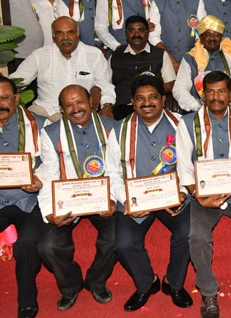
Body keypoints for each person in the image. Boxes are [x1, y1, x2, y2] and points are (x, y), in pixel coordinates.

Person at [176, 71, 231, 318]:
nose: (216, 97)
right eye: (211, 91)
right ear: (202, 94)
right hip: (203, 197)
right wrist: (199, 196)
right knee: (197, 237)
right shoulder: (187, 123)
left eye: (222, 91)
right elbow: (184, 168)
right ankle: (208, 291)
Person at [106, 74, 192, 311]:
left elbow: (192, 163)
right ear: (132, 102)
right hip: (136, 199)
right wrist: (128, 200)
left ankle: (174, 283)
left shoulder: (182, 125)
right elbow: (112, 172)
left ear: (163, 100)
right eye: (140, 98)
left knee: (188, 233)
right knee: (123, 243)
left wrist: (182, 192)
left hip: (173, 197)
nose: (147, 103)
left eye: (153, 97)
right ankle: (147, 283)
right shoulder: (119, 130)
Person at [37, 85, 117, 311]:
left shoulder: (113, 128)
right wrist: (50, 213)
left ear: (91, 101)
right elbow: (49, 175)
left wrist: (112, 199)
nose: (76, 109)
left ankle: (96, 281)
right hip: (68, 200)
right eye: (69, 105)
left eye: (80, 102)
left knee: (116, 237)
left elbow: (118, 170)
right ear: (62, 109)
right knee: (48, 245)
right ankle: (70, 286)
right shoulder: (50, 133)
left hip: (104, 198)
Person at [10, 16, 115, 122]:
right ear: (53, 35)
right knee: (27, 122)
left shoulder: (94, 55)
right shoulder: (39, 55)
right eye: (60, 33)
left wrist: (107, 105)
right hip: (46, 111)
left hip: (79, 113)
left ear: (78, 34)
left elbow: (105, 84)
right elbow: (17, 81)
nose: (65, 37)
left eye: (70, 32)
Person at [0, 76, 45, 318]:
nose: (0, 104)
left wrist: (40, 179)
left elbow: (55, 165)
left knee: (27, 243)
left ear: (17, 99)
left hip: (28, 201)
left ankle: (27, 302)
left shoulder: (39, 125)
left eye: (4, 98)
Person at [109, 16, 176, 119]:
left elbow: (170, 83)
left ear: (147, 33)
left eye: (140, 30)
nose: (136, 34)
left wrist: (150, 92)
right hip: (121, 110)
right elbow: (106, 84)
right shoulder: (115, 56)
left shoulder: (160, 54)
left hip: (150, 108)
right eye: (132, 30)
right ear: (126, 33)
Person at [172, 15, 231, 112]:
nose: (212, 38)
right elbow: (179, 88)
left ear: (221, 38)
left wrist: (229, 104)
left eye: (216, 34)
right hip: (197, 109)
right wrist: (197, 108)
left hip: (230, 108)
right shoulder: (190, 58)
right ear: (201, 37)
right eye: (207, 34)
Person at [148, 0, 207, 68]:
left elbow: (203, 31)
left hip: (193, 58)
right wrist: (172, 62)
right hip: (165, 59)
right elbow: (153, 36)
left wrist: (195, 57)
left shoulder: (197, 0)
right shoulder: (157, 2)